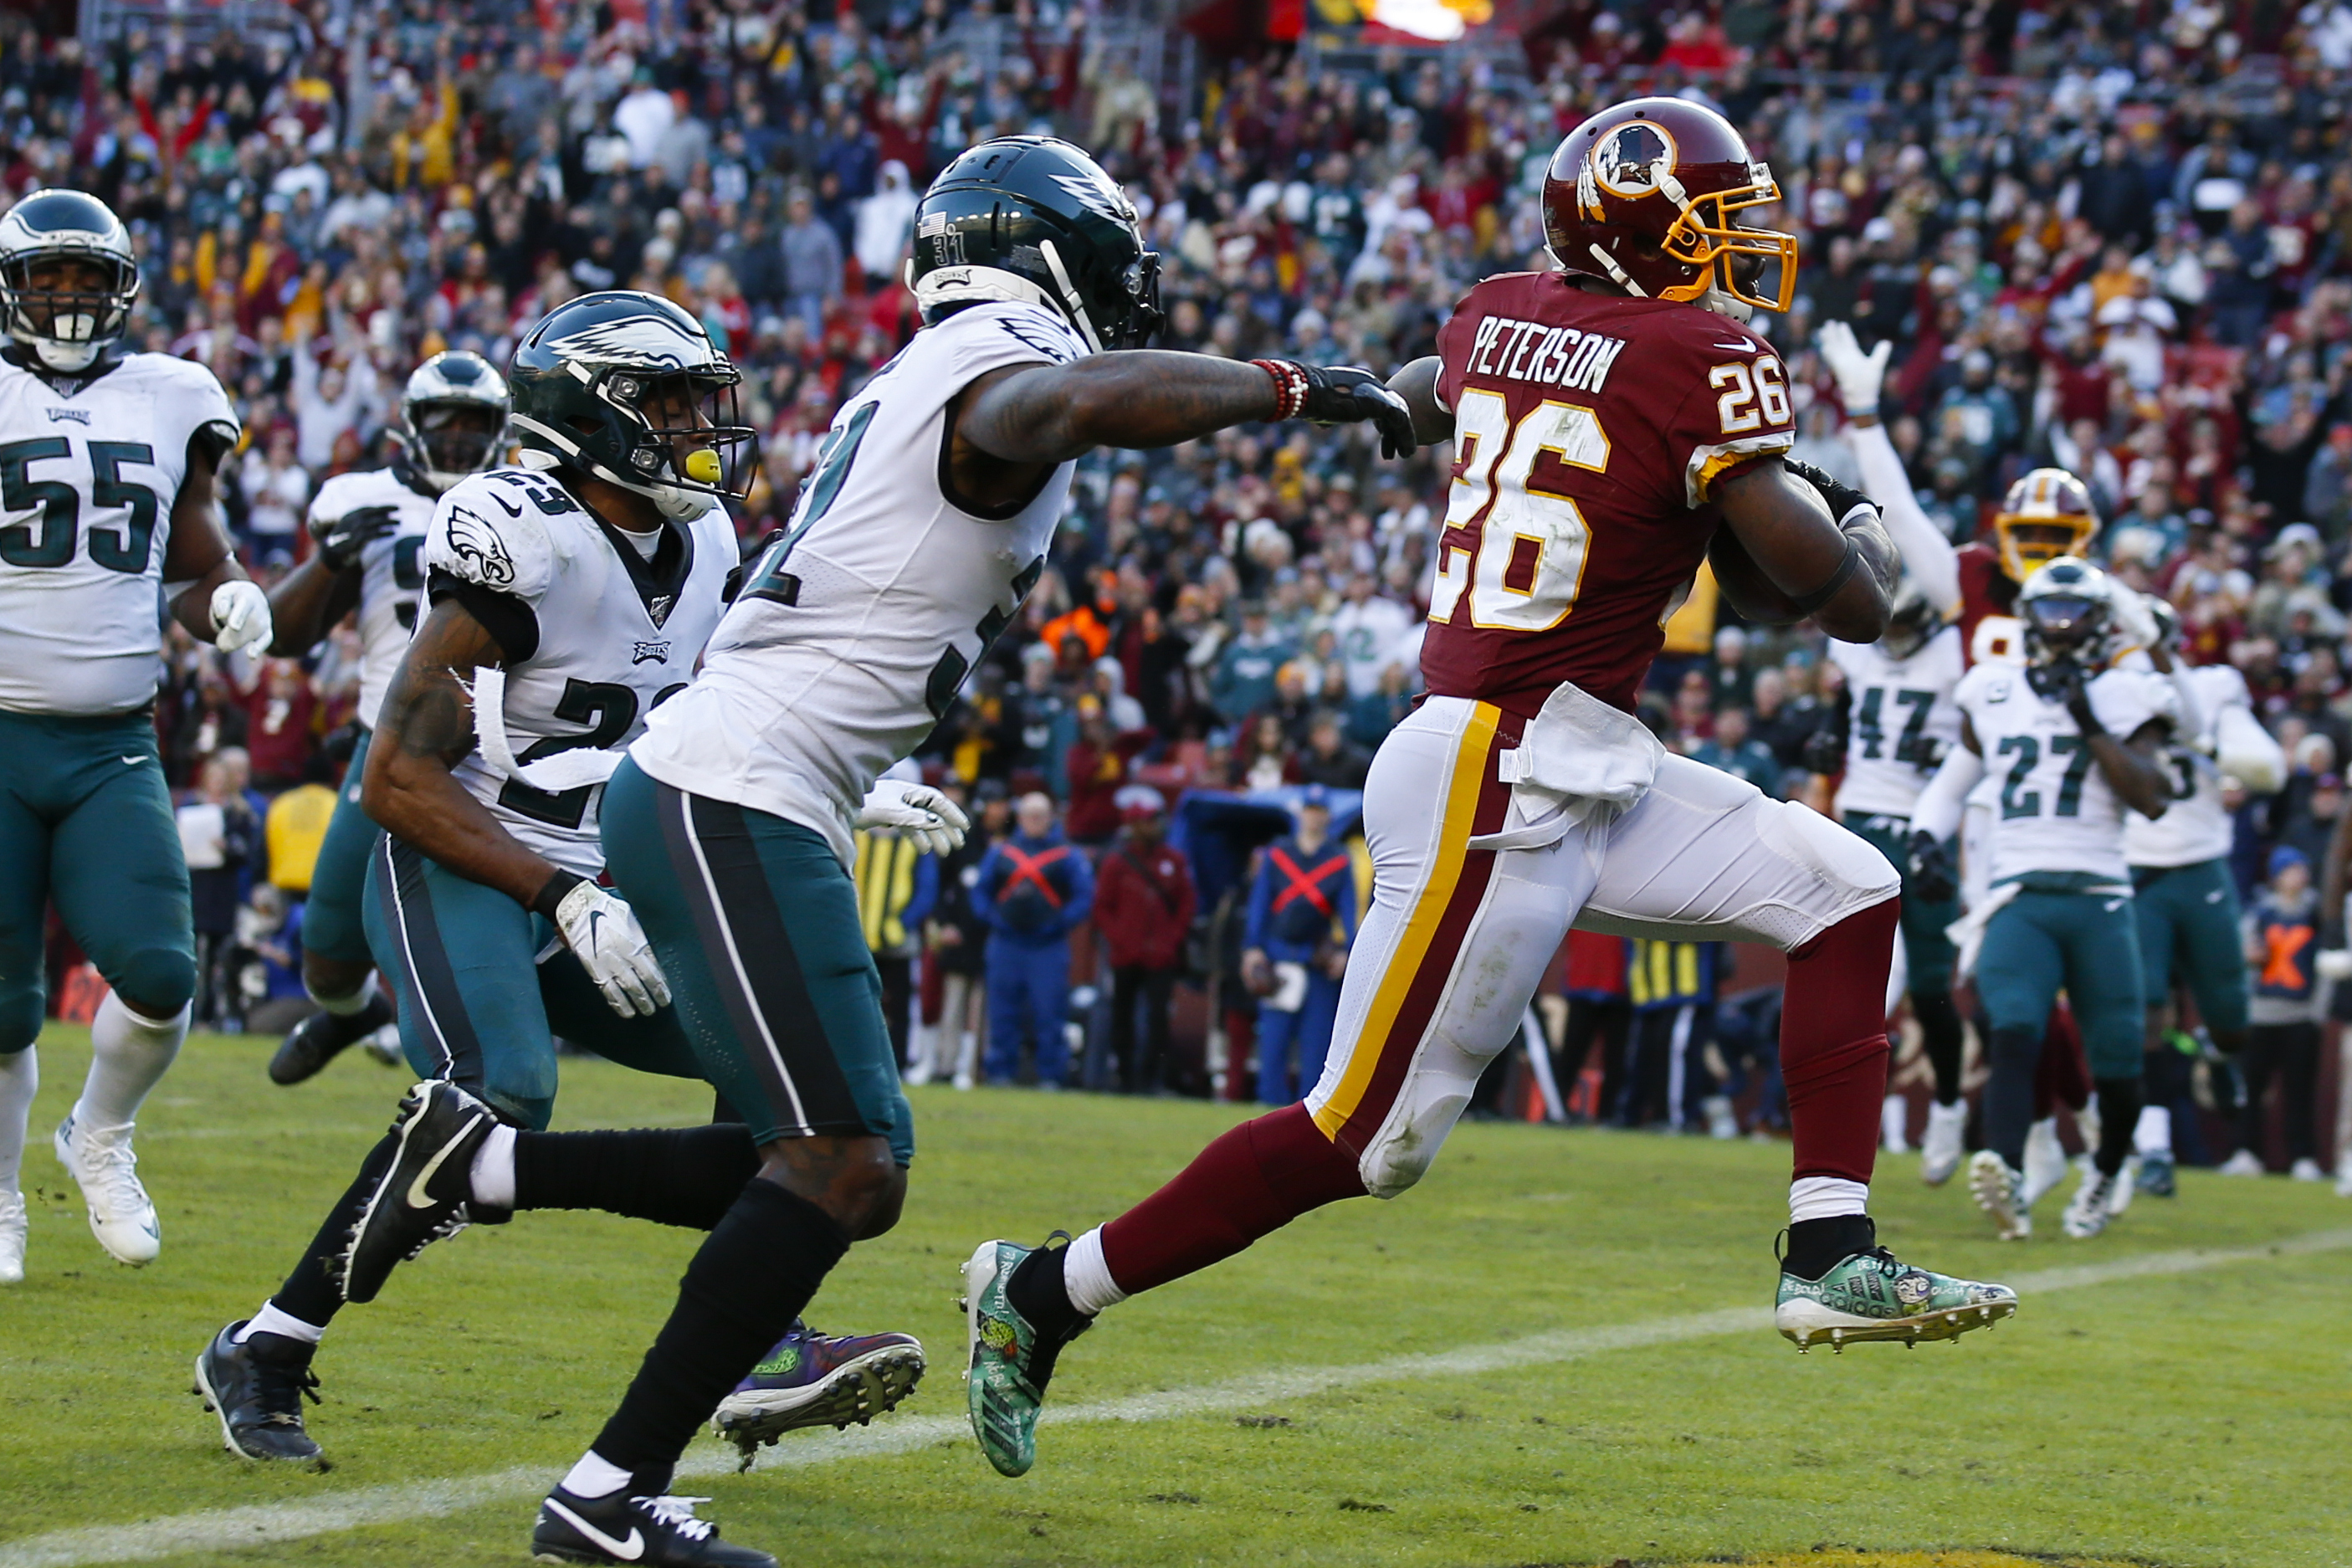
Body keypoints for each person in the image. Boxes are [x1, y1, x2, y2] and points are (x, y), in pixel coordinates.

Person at [314, 137, 1410, 1565]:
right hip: (740, 786)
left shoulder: (926, 366)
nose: (1132, 278)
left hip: (755, 781)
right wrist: (1296, 385)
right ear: (1043, 251)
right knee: (845, 1155)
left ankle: (483, 1176)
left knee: (812, 1151)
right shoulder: (997, 356)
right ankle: (603, 1492)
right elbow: (1076, 402)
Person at [961, 98, 2016, 1485]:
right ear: (1644, 225)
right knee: (1366, 1137)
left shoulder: (1498, 312)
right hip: (1496, 769)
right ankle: (1041, 1292)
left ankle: (1829, 1247)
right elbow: (1841, 599)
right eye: (1715, 221)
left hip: (1575, 753)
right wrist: (1834, 510)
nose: (1740, 250)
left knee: (1845, 888)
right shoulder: (1697, 348)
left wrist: (1407, 414)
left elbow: (1430, 379)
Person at [192, 292, 920, 1473]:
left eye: (700, 399)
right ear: (590, 416)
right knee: (499, 1087)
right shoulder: (517, 532)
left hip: (611, 871)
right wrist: (559, 898)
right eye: (668, 402)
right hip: (467, 851)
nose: (696, 426)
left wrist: (839, 781)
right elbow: (392, 775)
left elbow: (701, 710)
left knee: (796, 1095)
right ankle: (267, 1347)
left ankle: (757, 1343)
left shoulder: (706, 543)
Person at [0, 190, 274, 1284]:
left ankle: (98, 1133)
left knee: (162, 972)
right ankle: (1, 1197)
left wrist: (231, 599)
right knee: (3, 1005)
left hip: (111, 739)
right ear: (15, 286)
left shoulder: (170, 394)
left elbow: (197, 562)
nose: (66, 297)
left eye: (84, 275)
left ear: (119, 289)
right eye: (46, 275)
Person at [262, 349, 513, 1087]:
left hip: (493, 750)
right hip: (388, 742)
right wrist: (332, 561)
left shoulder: (528, 498)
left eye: (477, 424)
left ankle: (467, 1078)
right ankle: (357, 1012)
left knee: (482, 931)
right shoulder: (359, 499)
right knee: (328, 958)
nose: (462, 438)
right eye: (447, 421)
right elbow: (283, 635)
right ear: (413, 426)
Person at [1906, 558, 2177, 1240]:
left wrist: (2084, 714)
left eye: (2074, 612)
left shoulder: (2124, 693)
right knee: (2012, 1027)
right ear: (2028, 619)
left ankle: (2106, 1170)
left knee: (2117, 1062)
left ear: (2098, 623)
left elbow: (2151, 797)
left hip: (2100, 896)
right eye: (2049, 612)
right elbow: (1949, 785)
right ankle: (2006, 1171)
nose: (2060, 627)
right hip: (2019, 894)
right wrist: (1925, 842)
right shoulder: (1992, 690)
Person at [1805, 573, 1969, 1181]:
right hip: (1859, 824)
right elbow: (1844, 706)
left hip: (1925, 829)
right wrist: (1831, 736)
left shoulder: (1958, 653)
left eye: (1904, 624)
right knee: (1865, 979)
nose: (1892, 637)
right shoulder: (1854, 644)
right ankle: (1839, 1131)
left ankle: (1948, 1107)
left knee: (1929, 987)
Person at [2122, 598, 2284, 1196]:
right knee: (2145, 1014)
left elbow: (2263, 761)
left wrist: (2238, 757)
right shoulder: (2113, 688)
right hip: (2136, 865)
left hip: (2200, 863)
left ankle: (2217, 1056)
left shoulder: (2213, 686)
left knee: (2230, 1017)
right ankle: (2153, 1145)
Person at [1243, 787, 1355, 1105]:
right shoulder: (1279, 853)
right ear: (1301, 814)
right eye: (1309, 810)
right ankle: (1269, 1108)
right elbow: (1260, 902)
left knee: (1316, 1046)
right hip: (1278, 956)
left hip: (1316, 959)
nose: (1314, 817)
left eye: (1320, 811)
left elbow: (1347, 909)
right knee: (1273, 1043)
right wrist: (1252, 946)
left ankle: (1306, 1116)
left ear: (1327, 816)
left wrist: (1348, 949)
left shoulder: (1338, 858)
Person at [976, 792, 1094, 1087]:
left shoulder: (1067, 855)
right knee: (1002, 1012)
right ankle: (1000, 1072)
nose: (1035, 821)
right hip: (1007, 943)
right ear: (1020, 817)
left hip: (1047, 946)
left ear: (1051, 818)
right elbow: (980, 892)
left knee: (1049, 1012)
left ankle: (1051, 1076)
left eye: (1041, 816)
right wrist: (994, 919)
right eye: (1030, 815)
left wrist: (1059, 923)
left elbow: (1084, 896)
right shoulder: (1002, 852)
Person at [2227, 847, 2329, 1180]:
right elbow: (2241, 955)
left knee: (2300, 1092)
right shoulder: (2260, 911)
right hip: (2261, 1013)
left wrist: (2317, 1012)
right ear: (2276, 875)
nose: (2298, 876)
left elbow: (2325, 963)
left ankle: (2302, 1157)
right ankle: (2246, 1152)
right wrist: (2248, 959)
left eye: (2301, 869)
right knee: (2251, 1089)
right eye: (2291, 870)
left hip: (2299, 1013)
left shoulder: (2316, 912)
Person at [1093, 786, 1195, 1094]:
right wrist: (1121, 940)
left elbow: (1186, 904)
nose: (1156, 826)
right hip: (1126, 956)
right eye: (1149, 821)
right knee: (1121, 1017)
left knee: (1158, 1020)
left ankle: (1152, 1080)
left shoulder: (1173, 860)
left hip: (1160, 957)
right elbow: (1102, 908)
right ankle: (1123, 1078)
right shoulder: (1117, 862)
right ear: (1135, 825)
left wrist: (1170, 940)